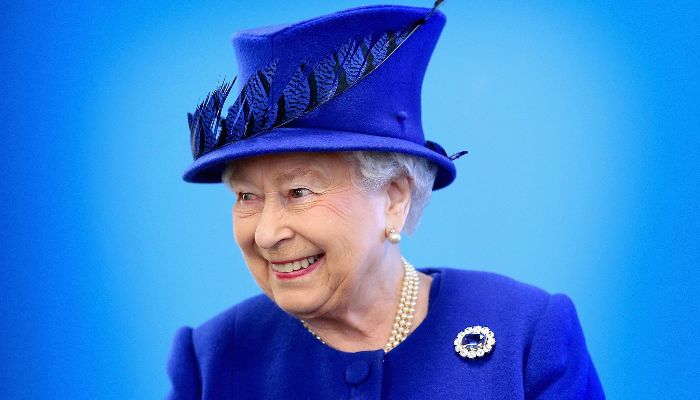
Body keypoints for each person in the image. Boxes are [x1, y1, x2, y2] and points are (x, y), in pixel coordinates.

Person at [166, 2, 604, 399]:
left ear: (394, 198)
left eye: (299, 192)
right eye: (247, 196)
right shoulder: (210, 361)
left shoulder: (526, 335)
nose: (266, 234)